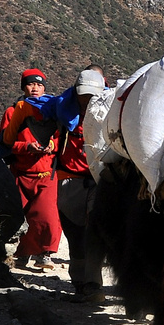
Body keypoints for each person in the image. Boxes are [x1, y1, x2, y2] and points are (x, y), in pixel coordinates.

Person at [0, 69, 62, 270]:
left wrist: (54, 144)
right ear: (23, 87)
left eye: (39, 84)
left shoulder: (54, 112)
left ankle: (44, 254)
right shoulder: (12, 112)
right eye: (30, 84)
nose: (35, 88)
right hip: (20, 174)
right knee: (25, 220)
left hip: (47, 173)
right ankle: (23, 253)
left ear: (44, 87)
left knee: (48, 217)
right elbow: (5, 144)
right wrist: (26, 147)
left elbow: (64, 139)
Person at [55, 67, 107, 302]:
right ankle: (79, 282)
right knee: (74, 234)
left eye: (92, 96)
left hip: (99, 181)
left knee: (94, 232)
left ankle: (93, 285)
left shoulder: (109, 114)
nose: (87, 101)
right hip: (69, 181)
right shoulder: (62, 113)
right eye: (83, 95)